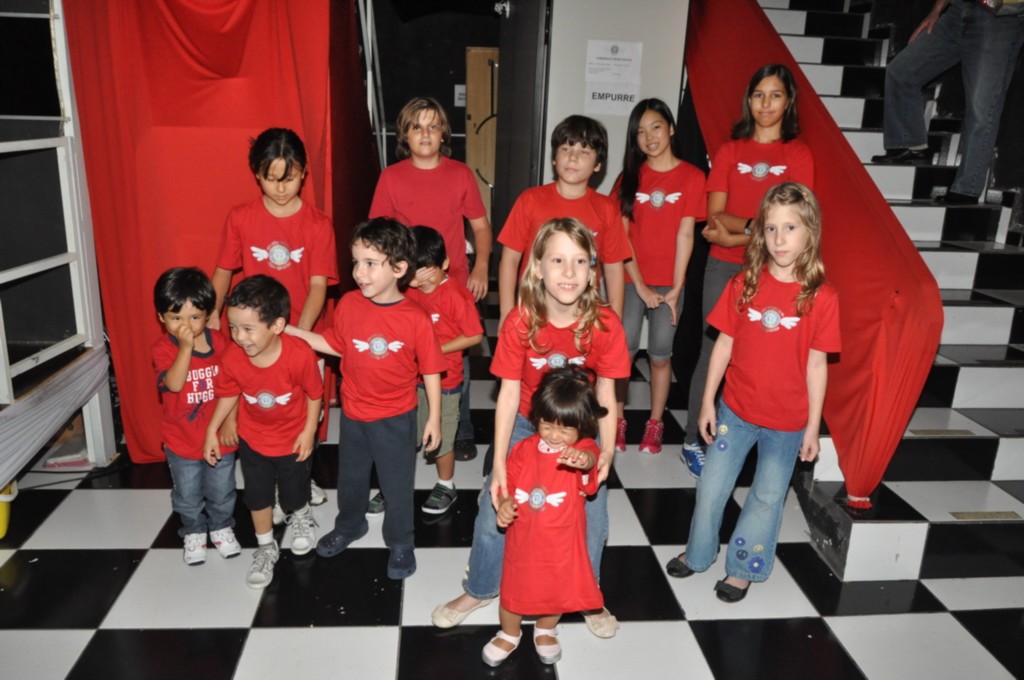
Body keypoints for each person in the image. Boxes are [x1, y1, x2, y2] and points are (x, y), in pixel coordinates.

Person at [432, 218, 631, 638]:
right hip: (526, 423)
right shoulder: (520, 321)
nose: (570, 272)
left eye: (580, 261)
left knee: (592, 516)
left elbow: (607, 394)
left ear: (592, 270)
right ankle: (480, 587)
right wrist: (499, 465)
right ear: (537, 267)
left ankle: (588, 595)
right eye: (557, 260)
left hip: (580, 429)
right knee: (494, 504)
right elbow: (507, 395)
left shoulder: (605, 324)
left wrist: (608, 451)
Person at [665, 182, 840, 602]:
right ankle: (698, 553)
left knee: (766, 496)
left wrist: (813, 428)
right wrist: (707, 402)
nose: (779, 239)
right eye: (771, 228)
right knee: (711, 486)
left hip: (787, 422)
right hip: (736, 411)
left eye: (790, 228)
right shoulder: (744, 284)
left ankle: (743, 568)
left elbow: (817, 366)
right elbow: (722, 346)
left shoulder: (822, 297)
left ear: (810, 231)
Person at [286, 218, 445, 580]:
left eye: (370, 264)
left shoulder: (415, 317)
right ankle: (350, 525)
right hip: (354, 414)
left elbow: (432, 370)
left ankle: (401, 540)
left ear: (399, 268)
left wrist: (434, 417)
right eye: (356, 262)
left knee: (396, 485)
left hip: (396, 417)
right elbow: (337, 346)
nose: (359, 272)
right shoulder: (348, 305)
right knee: (352, 478)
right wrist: (294, 332)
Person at [681, 64, 814, 478]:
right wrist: (761, 229)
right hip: (724, 267)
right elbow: (715, 217)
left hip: (779, 271)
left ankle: (752, 442)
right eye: (759, 95)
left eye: (775, 95)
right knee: (712, 351)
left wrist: (741, 234)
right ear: (749, 100)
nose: (766, 104)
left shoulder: (797, 154)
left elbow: (799, 219)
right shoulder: (729, 151)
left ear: (788, 101)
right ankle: (692, 439)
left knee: (767, 355)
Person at [210, 127, 338, 511]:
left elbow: (318, 286)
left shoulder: (318, 224)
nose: (281, 188)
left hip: (301, 332)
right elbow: (223, 272)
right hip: (254, 333)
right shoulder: (241, 218)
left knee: (304, 406)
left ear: (304, 172)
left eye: (290, 178)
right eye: (272, 179)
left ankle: (300, 476)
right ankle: (267, 479)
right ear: (257, 174)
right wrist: (212, 316)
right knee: (257, 403)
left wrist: (300, 334)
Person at [370, 97, 492, 462]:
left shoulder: (460, 174)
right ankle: (410, 422)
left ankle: (460, 428)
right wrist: (396, 277)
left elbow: (480, 227)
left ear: (444, 134)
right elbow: (379, 235)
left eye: (433, 126)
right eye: (416, 127)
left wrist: (481, 266)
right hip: (406, 285)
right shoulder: (391, 177)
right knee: (406, 354)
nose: (425, 134)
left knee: (456, 354)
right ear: (404, 135)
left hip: (452, 282)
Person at [202, 275, 324, 589]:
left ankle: (301, 514)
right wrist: (213, 429)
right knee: (257, 496)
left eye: (248, 329)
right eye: (233, 328)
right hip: (253, 439)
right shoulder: (233, 357)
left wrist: (309, 431)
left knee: (294, 492)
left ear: (277, 325)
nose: (239, 337)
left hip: (292, 439)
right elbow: (229, 392)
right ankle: (266, 547)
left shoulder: (299, 354)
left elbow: (314, 394)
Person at [483, 368, 607, 667]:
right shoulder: (522, 449)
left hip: (563, 540)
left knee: (555, 589)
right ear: (536, 417)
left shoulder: (583, 448)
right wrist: (505, 503)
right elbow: (507, 483)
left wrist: (584, 460)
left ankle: (546, 628)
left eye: (565, 430)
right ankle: (509, 632)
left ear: (583, 427)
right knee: (513, 587)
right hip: (523, 538)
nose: (554, 435)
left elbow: (591, 463)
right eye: (547, 425)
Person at [364, 226, 484, 518]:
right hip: (408, 380)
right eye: (413, 272)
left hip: (445, 381)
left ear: (445, 264)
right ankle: (391, 486)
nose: (419, 280)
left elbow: (474, 335)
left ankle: (446, 485)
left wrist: (436, 349)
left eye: (427, 272)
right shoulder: (408, 291)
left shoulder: (456, 295)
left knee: (441, 437)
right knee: (403, 436)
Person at [612, 98, 706, 454]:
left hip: (669, 283)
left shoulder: (692, 177)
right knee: (623, 351)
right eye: (640, 132)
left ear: (671, 129)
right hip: (629, 278)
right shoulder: (629, 178)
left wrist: (677, 287)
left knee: (660, 354)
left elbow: (686, 234)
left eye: (655, 127)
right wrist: (640, 285)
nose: (649, 137)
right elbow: (621, 237)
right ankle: (617, 418)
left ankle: (655, 422)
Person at [870, 0, 1024, 205]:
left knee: (982, 108)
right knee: (902, 72)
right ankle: (910, 145)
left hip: (996, 18)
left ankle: (967, 188)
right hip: (958, 10)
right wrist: (936, 10)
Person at [496, 115, 632, 329]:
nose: (573, 158)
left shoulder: (607, 208)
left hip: (583, 316)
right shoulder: (530, 200)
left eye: (584, 151)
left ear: (598, 164)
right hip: (533, 312)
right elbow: (510, 259)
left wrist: (615, 322)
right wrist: (506, 313)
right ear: (554, 158)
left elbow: (614, 270)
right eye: (566, 149)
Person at [152, 267, 240, 566]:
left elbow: (233, 386)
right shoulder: (163, 349)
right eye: (176, 318)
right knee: (187, 494)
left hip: (219, 437)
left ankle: (221, 526)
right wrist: (186, 348)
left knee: (222, 490)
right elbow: (175, 384)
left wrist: (230, 422)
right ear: (161, 317)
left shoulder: (222, 343)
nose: (185, 326)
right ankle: (193, 530)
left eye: (194, 317)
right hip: (182, 439)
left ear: (208, 314)